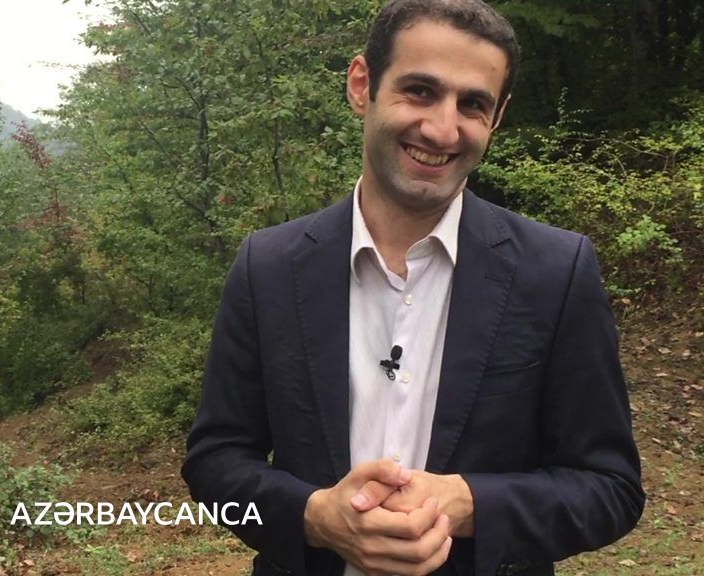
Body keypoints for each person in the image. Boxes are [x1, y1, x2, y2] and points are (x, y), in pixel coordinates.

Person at [181, 1, 645, 575]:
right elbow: (215, 461)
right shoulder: (268, 267)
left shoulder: (555, 271)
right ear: (362, 85)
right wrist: (313, 516)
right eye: (420, 91)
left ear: (497, 117)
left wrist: (470, 504)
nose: (442, 129)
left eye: (472, 104)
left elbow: (610, 488)